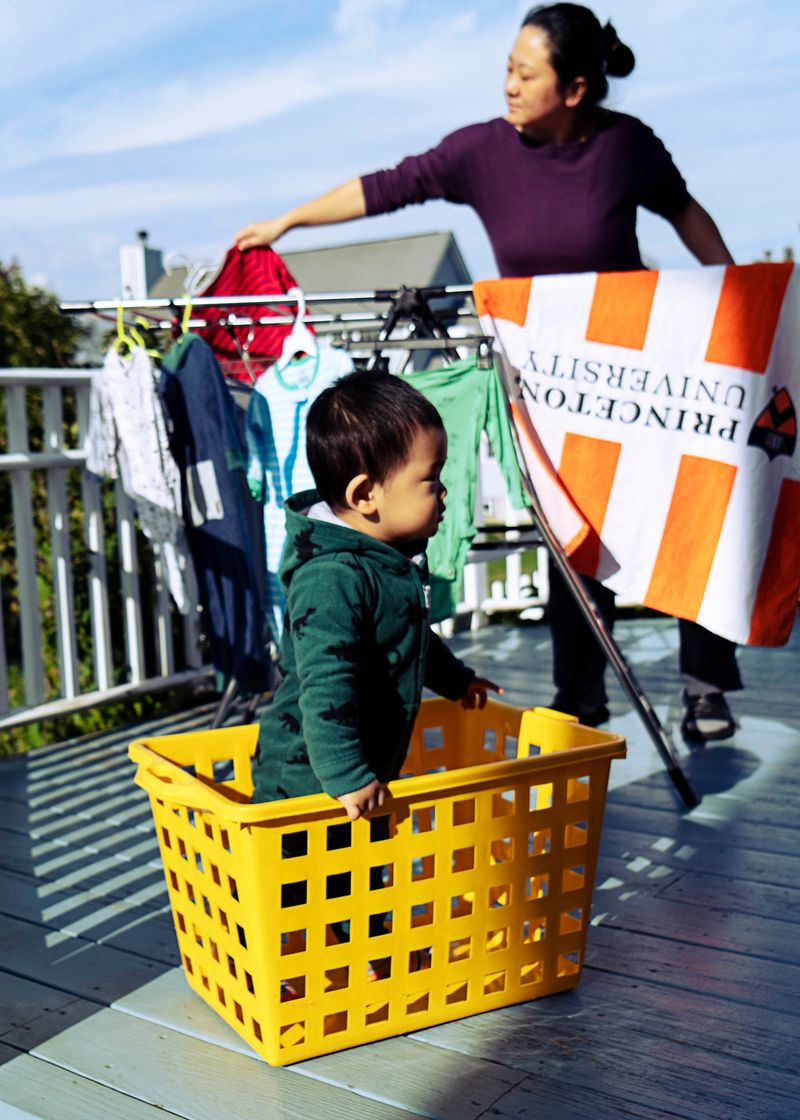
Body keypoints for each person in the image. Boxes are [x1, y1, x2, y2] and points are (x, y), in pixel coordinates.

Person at [235, 3, 740, 744]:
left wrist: (736, 300)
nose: (507, 85)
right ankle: (581, 702)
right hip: (546, 387)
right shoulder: (482, 152)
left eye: (524, 73)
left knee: (688, 511)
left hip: (638, 377)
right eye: (507, 67)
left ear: (573, 89)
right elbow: (387, 185)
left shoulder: (627, 146)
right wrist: (287, 221)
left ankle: (703, 688)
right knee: (574, 534)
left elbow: (685, 214)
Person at [250, 368, 501, 818]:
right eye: (431, 477)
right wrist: (348, 775)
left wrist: (456, 680)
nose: (444, 491)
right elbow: (325, 684)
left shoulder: (385, 560)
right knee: (307, 889)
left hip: (365, 779)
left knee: (362, 884)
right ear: (366, 494)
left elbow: (409, 634)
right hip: (309, 788)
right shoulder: (331, 578)